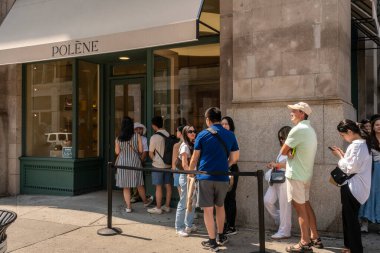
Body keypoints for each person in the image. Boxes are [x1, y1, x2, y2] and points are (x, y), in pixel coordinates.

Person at [189, 107, 239, 252]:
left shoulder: (202, 135)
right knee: (220, 206)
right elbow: (235, 158)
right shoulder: (230, 135)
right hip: (222, 177)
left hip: (205, 176)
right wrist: (226, 165)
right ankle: (221, 235)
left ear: (208, 120)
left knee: (208, 210)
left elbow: (195, 157)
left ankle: (212, 242)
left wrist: (191, 172)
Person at [280, 102, 323, 252]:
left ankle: (304, 242)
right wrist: (292, 151)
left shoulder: (297, 129)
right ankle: (315, 237)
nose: (290, 112)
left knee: (300, 209)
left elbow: (284, 151)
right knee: (305, 205)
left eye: (294, 110)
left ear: (302, 113)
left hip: (296, 175)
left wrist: (291, 151)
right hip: (305, 175)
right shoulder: (310, 129)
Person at [330, 119, 372, 253]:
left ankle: (354, 249)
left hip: (353, 188)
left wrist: (339, 156)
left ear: (349, 131)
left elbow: (349, 168)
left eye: (343, 135)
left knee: (351, 221)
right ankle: (349, 247)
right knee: (349, 219)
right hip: (356, 187)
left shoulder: (357, 145)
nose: (343, 138)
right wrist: (343, 155)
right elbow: (355, 165)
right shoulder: (362, 143)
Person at [115, 116, 153, 213]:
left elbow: (117, 152)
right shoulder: (137, 136)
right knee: (139, 183)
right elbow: (140, 150)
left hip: (122, 163)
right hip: (135, 161)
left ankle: (128, 207)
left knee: (126, 186)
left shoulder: (118, 138)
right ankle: (145, 201)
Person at [264, 126, 292, 239]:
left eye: (283, 137)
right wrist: (273, 165)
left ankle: (285, 231)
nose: (281, 140)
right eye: (280, 138)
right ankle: (280, 220)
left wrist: (277, 165)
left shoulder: (292, 148)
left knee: (285, 205)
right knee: (267, 200)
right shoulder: (282, 149)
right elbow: (279, 163)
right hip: (276, 179)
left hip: (286, 179)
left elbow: (292, 165)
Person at [175, 125, 198, 237]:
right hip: (187, 177)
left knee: (192, 202)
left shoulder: (193, 144)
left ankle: (188, 224)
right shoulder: (184, 146)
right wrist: (191, 175)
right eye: (190, 131)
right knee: (184, 202)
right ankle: (179, 227)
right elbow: (184, 164)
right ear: (185, 133)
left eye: (194, 131)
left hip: (192, 176)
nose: (193, 133)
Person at [359, 116, 380, 234]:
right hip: (372, 171)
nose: (379, 127)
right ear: (373, 127)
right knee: (369, 194)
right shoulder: (369, 140)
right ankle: (364, 222)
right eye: (377, 124)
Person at [147, 116, 172, 214]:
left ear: (154, 125)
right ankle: (167, 206)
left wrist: (155, 160)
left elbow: (150, 153)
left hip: (158, 165)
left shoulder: (154, 137)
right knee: (168, 185)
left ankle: (158, 208)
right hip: (168, 165)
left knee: (158, 187)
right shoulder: (168, 134)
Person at [221, 116, 239, 235]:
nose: (224, 126)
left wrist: (226, 165)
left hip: (231, 170)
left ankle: (231, 226)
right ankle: (223, 224)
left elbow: (235, 158)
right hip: (222, 170)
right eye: (222, 124)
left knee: (230, 198)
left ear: (231, 125)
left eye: (226, 124)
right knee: (222, 199)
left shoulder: (232, 137)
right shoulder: (220, 137)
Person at [130, 122, 149, 203]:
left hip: (140, 161)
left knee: (139, 180)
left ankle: (137, 196)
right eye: (136, 129)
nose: (138, 131)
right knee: (131, 179)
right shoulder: (130, 138)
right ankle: (133, 195)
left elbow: (145, 151)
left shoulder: (144, 139)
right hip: (130, 161)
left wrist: (140, 160)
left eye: (140, 129)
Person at [172, 125, 185, 196]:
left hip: (178, 169)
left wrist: (173, 171)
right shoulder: (189, 144)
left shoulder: (177, 145)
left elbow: (174, 160)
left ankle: (183, 207)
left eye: (177, 131)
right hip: (187, 169)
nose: (176, 132)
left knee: (181, 193)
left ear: (180, 133)